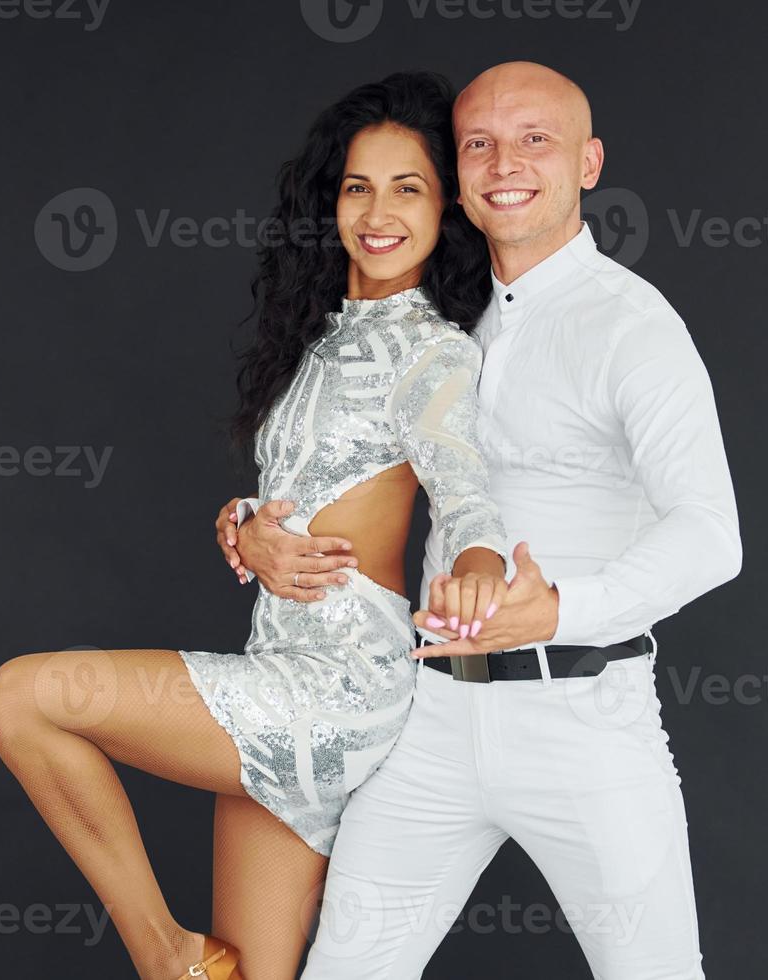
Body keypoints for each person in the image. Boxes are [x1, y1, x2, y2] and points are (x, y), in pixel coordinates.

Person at [0, 71, 509, 980]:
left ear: (446, 210)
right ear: (330, 202)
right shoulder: (320, 341)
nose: (378, 212)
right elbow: (304, 489)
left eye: (408, 188)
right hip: (279, 667)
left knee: (22, 696)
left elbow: (463, 485)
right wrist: (241, 527)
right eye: (357, 187)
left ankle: (168, 958)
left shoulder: (433, 350)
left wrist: (480, 557)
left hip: (337, 688)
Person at [222, 62, 741, 979]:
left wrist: (563, 609)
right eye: (478, 143)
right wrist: (249, 526)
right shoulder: (439, 318)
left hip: (585, 714)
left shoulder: (633, 326)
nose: (505, 161)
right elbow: (338, 471)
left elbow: (711, 534)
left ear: (589, 162)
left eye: (535, 138)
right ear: (459, 174)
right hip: (431, 719)